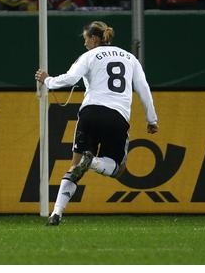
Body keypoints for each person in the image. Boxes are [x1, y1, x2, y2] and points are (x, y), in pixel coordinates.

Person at [34, 21, 158, 226]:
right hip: (117, 116)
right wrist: (151, 119)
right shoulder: (130, 58)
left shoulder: (89, 56)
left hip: (89, 113)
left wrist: (48, 80)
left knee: (74, 166)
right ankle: (92, 162)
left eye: (86, 39)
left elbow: (71, 78)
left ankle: (56, 213)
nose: (85, 44)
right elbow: (143, 89)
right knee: (118, 169)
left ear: (94, 38)